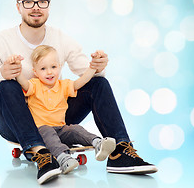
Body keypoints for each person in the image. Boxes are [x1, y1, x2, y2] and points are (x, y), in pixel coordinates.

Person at [0, 0, 157, 184]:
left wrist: (98, 65)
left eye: (42, 1)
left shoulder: (60, 37)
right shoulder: (2, 40)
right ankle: (42, 155)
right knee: (6, 85)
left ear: (49, 6)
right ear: (18, 6)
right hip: (16, 123)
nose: (36, 7)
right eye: (28, 1)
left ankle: (120, 152)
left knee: (99, 83)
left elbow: (91, 78)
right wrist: (1, 72)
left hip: (55, 117)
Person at [9, 45, 116, 174]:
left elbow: (81, 82)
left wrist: (92, 67)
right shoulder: (34, 85)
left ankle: (98, 142)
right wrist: (17, 67)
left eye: (53, 67)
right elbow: (22, 83)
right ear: (35, 72)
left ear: (59, 67)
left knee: (75, 129)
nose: (49, 72)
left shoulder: (63, 85)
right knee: (48, 131)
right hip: (41, 131)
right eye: (43, 69)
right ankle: (63, 158)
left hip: (61, 129)